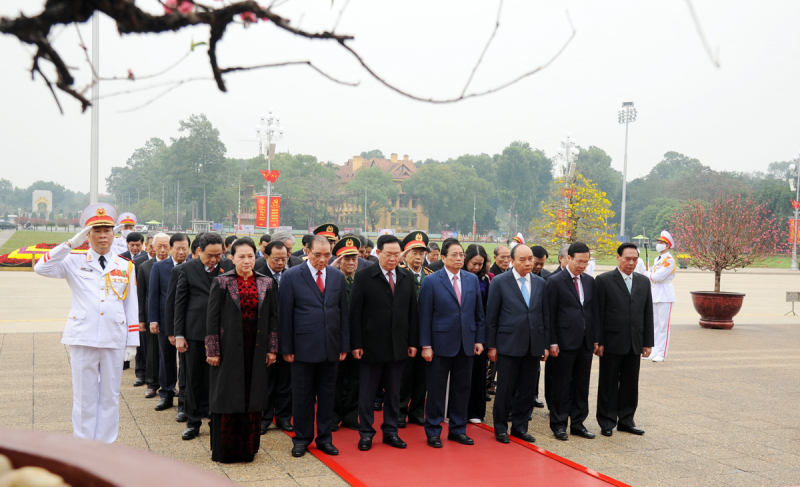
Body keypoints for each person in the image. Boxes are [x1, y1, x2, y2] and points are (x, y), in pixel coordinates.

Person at [34, 203, 139, 443]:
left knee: (110, 396)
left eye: (107, 231)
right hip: (83, 336)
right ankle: (83, 448)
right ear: (88, 235)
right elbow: (41, 267)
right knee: (84, 396)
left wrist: (132, 341)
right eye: (96, 231)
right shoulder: (73, 260)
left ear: (114, 234)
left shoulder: (125, 265)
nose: (103, 236)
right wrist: (71, 242)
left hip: (113, 337)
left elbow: (131, 306)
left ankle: (105, 448)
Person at [206, 237, 279, 463]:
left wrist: (272, 349)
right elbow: (211, 319)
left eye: (250, 256)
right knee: (227, 396)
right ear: (232, 257)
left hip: (256, 350)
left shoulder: (266, 282)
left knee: (252, 397)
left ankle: (248, 449)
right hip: (228, 350)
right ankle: (226, 450)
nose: (246, 261)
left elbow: (274, 318)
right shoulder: (221, 282)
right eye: (241, 256)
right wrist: (213, 350)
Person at [279, 235, 350, 458]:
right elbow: (285, 316)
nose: (322, 259)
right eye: (317, 255)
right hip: (302, 347)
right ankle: (301, 438)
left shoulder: (338, 276)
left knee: (328, 396)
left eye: (327, 255)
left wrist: (344, 344)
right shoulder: (291, 276)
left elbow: (343, 314)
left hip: (331, 346)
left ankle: (325, 438)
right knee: (302, 396)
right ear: (306, 251)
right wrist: (286, 348)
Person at [350, 235, 419, 451]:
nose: (393, 258)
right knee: (368, 393)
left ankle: (390, 432)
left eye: (396, 254)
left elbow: (412, 313)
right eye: (388, 254)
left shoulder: (406, 277)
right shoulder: (363, 276)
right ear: (378, 253)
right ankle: (367, 433)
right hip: (371, 345)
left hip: (398, 344)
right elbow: (355, 314)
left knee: (394, 393)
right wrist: (356, 343)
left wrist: (412, 342)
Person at [419, 239, 485, 448]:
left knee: (462, 389)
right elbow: (425, 317)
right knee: (436, 390)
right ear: (444, 257)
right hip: (439, 344)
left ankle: (458, 430)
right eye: (454, 255)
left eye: (461, 255)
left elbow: (478, 314)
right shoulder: (431, 281)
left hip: (466, 343)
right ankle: (433, 431)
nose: (459, 258)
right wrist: (426, 345)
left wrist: (479, 340)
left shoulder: (471, 279)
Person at [486, 244, 549, 444]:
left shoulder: (540, 283)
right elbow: (492, 316)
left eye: (530, 258)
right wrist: (492, 346)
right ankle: (501, 427)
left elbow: (544, 316)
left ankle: (520, 427)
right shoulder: (500, 282)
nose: (528, 263)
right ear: (512, 261)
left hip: (533, 345)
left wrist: (545, 344)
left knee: (527, 389)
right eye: (522, 259)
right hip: (508, 344)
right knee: (505, 389)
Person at [174, 233, 235, 440]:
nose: (214, 259)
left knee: (218, 380)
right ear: (199, 251)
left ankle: (216, 418)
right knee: (194, 380)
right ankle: (193, 421)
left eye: (219, 255)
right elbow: (180, 303)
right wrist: (179, 334)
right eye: (210, 255)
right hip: (195, 334)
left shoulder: (228, 267)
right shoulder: (187, 269)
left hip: (222, 334)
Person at [595, 243, 654, 437]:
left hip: (634, 341)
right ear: (618, 258)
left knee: (630, 383)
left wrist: (648, 342)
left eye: (635, 259)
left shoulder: (643, 282)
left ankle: (626, 420)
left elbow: (647, 313)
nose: (631, 262)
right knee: (609, 382)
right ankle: (607, 421)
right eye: (627, 258)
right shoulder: (603, 280)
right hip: (611, 341)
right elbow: (598, 314)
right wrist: (599, 341)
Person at [546, 242, 599, 441]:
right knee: (561, 386)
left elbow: (592, 312)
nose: (583, 265)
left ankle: (578, 423)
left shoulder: (588, 281)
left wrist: (595, 339)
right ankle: (559, 424)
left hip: (585, 342)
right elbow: (549, 314)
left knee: (581, 385)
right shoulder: (555, 281)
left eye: (586, 262)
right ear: (568, 257)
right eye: (579, 261)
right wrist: (551, 342)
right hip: (563, 343)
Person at [148, 233, 190, 412]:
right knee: (166, 359)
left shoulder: (194, 266)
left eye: (184, 248)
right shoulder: (159, 267)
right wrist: (153, 319)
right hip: (166, 320)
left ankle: (184, 399)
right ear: (171, 248)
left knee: (186, 362)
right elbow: (154, 295)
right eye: (178, 248)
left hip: (187, 322)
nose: (181, 252)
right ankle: (166, 394)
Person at [257, 241, 295, 435]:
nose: (281, 262)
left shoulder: (294, 273)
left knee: (285, 380)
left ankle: (283, 417)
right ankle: (264, 418)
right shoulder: (258, 273)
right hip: (265, 335)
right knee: (266, 380)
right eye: (276, 259)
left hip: (288, 334)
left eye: (284, 258)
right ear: (266, 257)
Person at [397, 232, 434, 427]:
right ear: (406, 253)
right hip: (404, 332)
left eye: (422, 253)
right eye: (414, 252)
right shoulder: (399, 273)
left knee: (422, 376)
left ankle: (417, 411)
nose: (419, 257)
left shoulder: (430, 275)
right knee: (404, 375)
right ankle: (400, 411)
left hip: (424, 332)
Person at [166, 234, 203, 422]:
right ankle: (183, 405)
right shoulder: (181, 270)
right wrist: (173, 332)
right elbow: (173, 303)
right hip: (187, 331)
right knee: (186, 372)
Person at [330, 237, 363, 432]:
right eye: (346, 259)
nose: (351, 263)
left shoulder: (362, 279)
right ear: (339, 261)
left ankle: (351, 416)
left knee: (355, 379)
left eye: (354, 259)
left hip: (356, 339)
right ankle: (333, 416)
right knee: (334, 379)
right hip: (336, 339)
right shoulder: (333, 279)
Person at [138, 233, 171, 399]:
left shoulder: (176, 266)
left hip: (170, 316)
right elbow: (141, 294)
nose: (163, 250)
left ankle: (169, 385)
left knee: (168, 355)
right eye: (159, 246)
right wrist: (142, 319)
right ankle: (152, 383)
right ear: (152, 247)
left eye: (166, 246)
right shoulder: (145, 267)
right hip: (152, 315)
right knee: (152, 351)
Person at [463, 244, 492, 425]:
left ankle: (475, 410)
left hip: (479, 329)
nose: (476, 268)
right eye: (474, 263)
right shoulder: (459, 277)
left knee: (478, 372)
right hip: (461, 329)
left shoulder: (486, 279)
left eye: (480, 264)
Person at [642, 231, 676, 363]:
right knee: (654, 325)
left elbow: (657, 277)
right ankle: (654, 351)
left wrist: (647, 273)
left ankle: (662, 353)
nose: (658, 245)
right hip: (655, 293)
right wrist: (649, 273)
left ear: (667, 246)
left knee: (663, 326)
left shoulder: (669, 260)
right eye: (658, 242)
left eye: (661, 243)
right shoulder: (658, 259)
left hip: (665, 294)